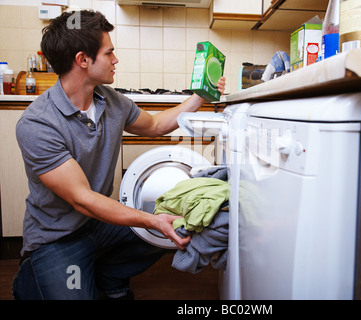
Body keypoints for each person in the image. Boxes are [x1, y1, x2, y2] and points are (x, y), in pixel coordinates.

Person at [12, 10, 226, 300]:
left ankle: (109, 275)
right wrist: (150, 221)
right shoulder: (38, 123)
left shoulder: (110, 100)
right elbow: (82, 199)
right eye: (109, 53)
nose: (115, 60)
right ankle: (33, 276)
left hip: (98, 225)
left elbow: (154, 125)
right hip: (56, 239)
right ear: (83, 60)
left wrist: (201, 95)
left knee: (177, 225)